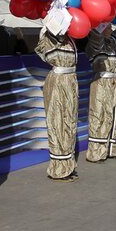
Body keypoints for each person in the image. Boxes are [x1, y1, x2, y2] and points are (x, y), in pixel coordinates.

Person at [34, 21, 80, 181]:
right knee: (57, 122)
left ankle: (67, 165)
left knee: (69, 122)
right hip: (58, 82)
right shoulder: (48, 36)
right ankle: (58, 168)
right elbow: (45, 52)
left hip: (71, 81)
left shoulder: (70, 39)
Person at [85, 18, 116, 162]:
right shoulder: (94, 43)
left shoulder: (113, 42)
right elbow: (96, 37)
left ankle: (110, 147)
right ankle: (96, 151)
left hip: (115, 82)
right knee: (99, 114)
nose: (110, 29)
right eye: (107, 27)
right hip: (101, 82)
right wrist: (99, 20)